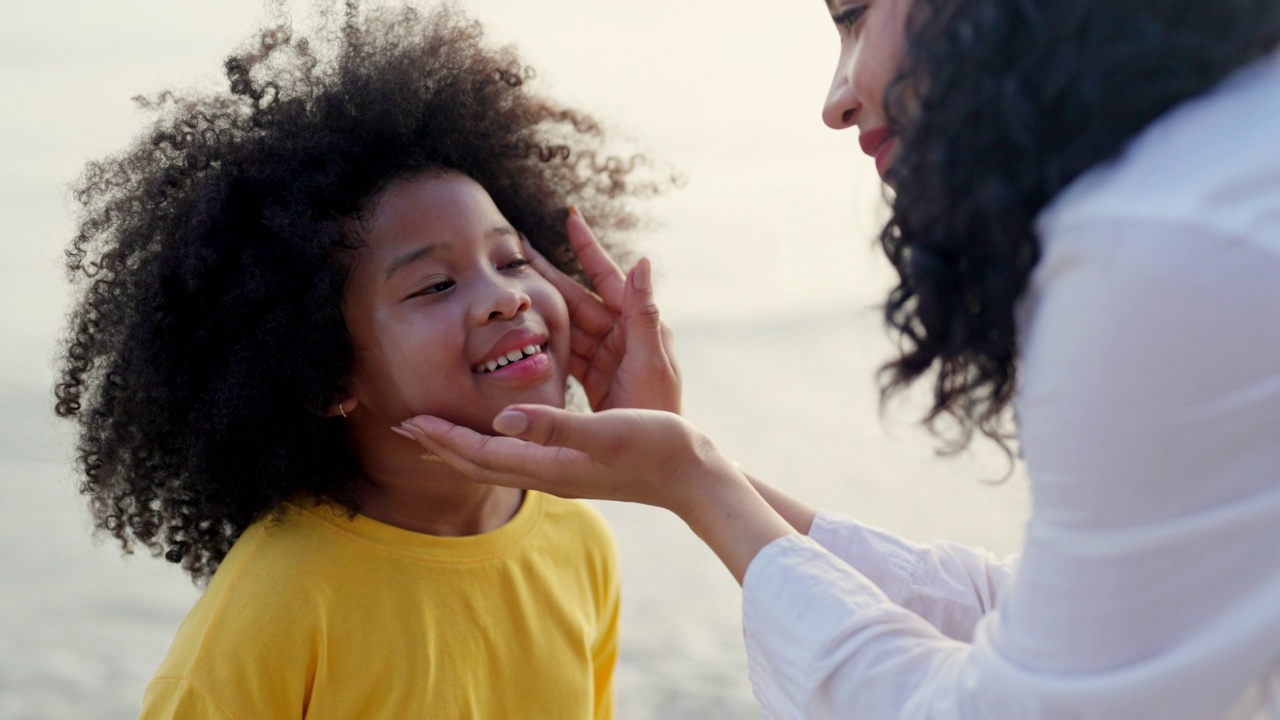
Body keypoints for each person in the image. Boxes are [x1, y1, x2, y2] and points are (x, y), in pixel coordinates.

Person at [394, 0, 1280, 717]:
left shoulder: (1164, 248)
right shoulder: (1214, 180)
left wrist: (696, 481)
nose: (835, 98)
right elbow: (1061, 622)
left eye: (854, 17)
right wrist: (686, 461)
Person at [53, 5, 674, 718]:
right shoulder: (278, 606)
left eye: (510, 258)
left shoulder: (580, 543)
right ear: (327, 372)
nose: (504, 298)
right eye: (436, 284)